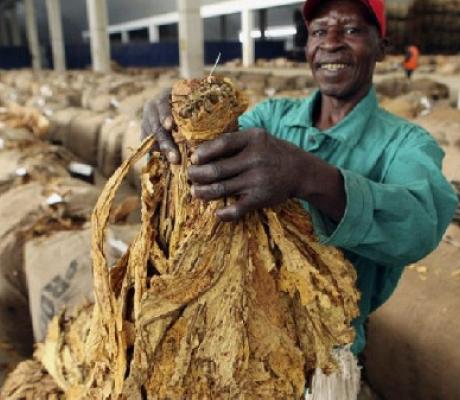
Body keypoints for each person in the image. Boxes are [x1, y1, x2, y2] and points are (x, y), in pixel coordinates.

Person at [141, 0, 457, 396]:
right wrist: (178, 118)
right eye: (320, 31)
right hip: (230, 344)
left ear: (382, 47)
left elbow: (420, 223)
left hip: (323, 363)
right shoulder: (271, 118)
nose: (332, 43)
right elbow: (213, 153)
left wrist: (309, 177)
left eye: (352, 30)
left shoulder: (405, 144)